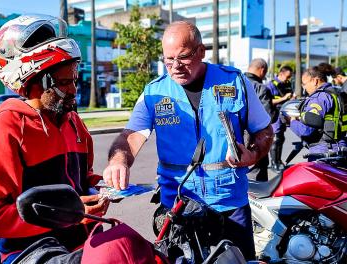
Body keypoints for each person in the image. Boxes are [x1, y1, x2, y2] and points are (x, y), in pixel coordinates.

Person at [0, 15, 156, 264]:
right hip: (29, 248)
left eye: (74, 80)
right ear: (33, 81)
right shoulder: (4, 129)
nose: (74, 91)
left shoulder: (72, 121)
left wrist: (102, 189)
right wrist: (68, 214)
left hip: (80, 237)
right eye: (65, 83)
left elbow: (81, 179)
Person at [103, 21, 274, 261]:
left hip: (229, 207)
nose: (175, 67)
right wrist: (119, 161)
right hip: (178, 210)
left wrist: (253, 154)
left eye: (182, 58)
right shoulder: (154, 92)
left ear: (201, 52)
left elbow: (264, 131)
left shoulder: (234, 82)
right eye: (168, 59)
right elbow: (130, 136)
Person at [287, 65, 346, 159]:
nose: (304, 88)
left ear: (315, 81)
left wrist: (292, 121)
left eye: (304, 84)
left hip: (323, 152)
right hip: (341, 148)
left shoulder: (319, 98)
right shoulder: (338, 92)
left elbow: (306, 130)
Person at [244, 58, 278, 181]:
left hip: (232, 145)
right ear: (262, 70)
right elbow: (269, 118)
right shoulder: (261, 88)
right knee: (257, 187)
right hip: (255, 144)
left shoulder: (233, 84)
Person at [267, 65, 294, 171]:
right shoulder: (271, 85)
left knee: (281, 138)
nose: (288, 79)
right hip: (275, 115)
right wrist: (284, 98)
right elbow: (268, 101)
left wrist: (292, 98)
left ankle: (278, 161)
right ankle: (274, 163)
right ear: (281, 74)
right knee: (276, 139)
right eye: (287, 77)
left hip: (283, 114)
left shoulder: (286, 84)